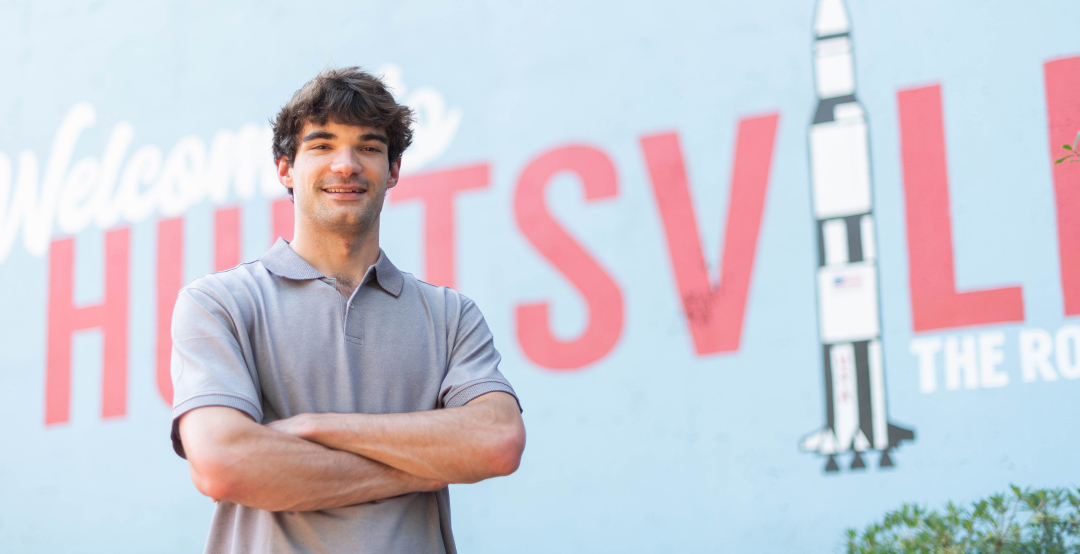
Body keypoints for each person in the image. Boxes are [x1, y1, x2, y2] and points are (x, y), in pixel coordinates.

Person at [169, 67, 525, 554]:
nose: (346, 164)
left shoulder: (450, 316)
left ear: (393, 170)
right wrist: (427, 462)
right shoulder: (220, 303)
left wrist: (318, 428)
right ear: (285, 168)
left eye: (369, 147)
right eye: (321, 145)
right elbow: (222, 463)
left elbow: (498, 440)